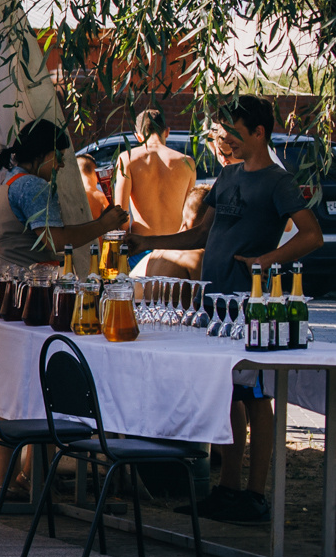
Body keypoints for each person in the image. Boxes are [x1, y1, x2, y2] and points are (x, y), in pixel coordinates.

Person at [129, 96, 326, 522]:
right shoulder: (227, 175)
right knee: (229, 394)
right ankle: (227, 488)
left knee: (257, 395)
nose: (226, 138)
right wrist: (149, 242)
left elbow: (312, 235)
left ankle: (255, 495)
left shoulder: (278, 181)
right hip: (214, 306)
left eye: (234, 130)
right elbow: (201, 233)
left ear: (258, 132)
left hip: (249, 306)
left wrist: (266, 261)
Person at [0, 119, 127, 273]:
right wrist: (103, 225)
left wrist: (100, 221)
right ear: (40, 154)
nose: (61, 165)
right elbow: (57, 241)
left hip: (0, 275)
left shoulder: (13, 178)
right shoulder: (31, 185)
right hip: (17, 281)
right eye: (59, 157)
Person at [118, 109, 201, 277]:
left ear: (138, 135)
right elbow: (190, 214)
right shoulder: (187, 162)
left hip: (138, 247)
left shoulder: (127, 158)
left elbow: (120, 215)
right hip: (174, 249)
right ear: (167, 131)